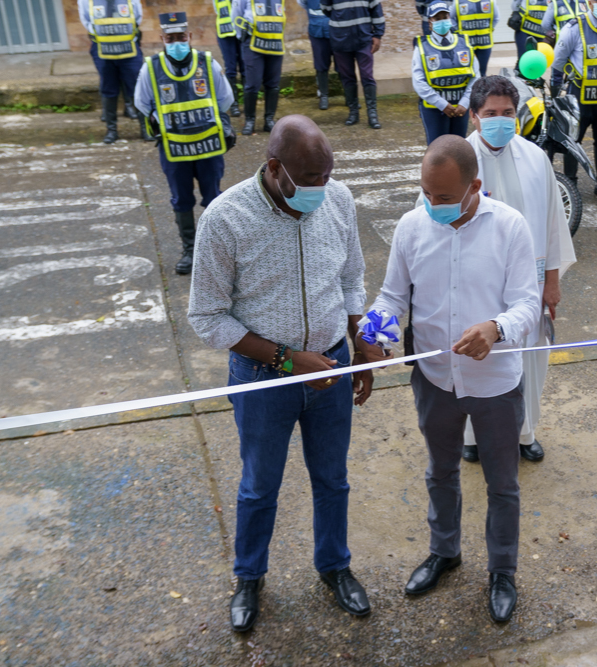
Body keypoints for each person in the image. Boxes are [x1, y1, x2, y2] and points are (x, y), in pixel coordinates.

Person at [188, 115, 377, 632]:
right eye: (311, 178)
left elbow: (351, 276)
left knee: (332, 479)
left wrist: (358, 343)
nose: (323, 187)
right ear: (275, 168)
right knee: (259, 486)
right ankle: (249, 577)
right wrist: (287, 360)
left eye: (328, 174)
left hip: (332, 368)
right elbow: (206, 315)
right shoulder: (225, 220)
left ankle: (334, 567)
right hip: (262, 379)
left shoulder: (337, 198)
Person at [363, 135, 540, 623]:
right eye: (426, 192)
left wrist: (496, 328)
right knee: (439, 471)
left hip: (495, 382)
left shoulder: (510, 228)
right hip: (435, 378)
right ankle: (445, 551)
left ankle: (502, 569)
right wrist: (373, 329)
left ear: (474, 186)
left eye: (442, 197)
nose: (431, 204)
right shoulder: (411, 227)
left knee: (502, 483)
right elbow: (393, 296)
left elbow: (527, 302)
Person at [460, 75, 575, 465]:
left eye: (507, 113)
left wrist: (553, 283)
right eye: (490, 113)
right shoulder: (455, 160)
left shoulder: (535, 157)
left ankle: (525, 432)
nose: (500, 120)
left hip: (531, 284)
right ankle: (473, 436)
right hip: (476, 286)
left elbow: (554, 223)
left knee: (529, 357)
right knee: (479, 357)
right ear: (474, 116)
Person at [134, 12, 237, 275]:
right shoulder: (151, 67)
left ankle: (216, 249)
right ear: (162, 39)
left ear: (189, 37)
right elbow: (142, 103)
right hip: (174, 150)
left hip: (208, 148)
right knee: (181, 200)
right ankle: (190, 251)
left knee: (213, 198)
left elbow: (225, 99)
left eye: (181, 37)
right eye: (171, 38)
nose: (177, 42)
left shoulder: (207, 63)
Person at [550, 0, 597, 202]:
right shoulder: (574, 27)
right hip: (580, 98)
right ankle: (570, 187)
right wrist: (556, 96)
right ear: (590, 2)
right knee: (573, 142)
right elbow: (558, 63)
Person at [413, 1, 480, 145]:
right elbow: (418, 82)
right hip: (434, 110)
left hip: (460, 109)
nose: (442, 21)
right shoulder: (422, 47)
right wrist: (441, 104)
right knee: (437, 151)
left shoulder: (464, 43)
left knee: (458, 149)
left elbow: (475, 76)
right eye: (437, 19)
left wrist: (465, 102)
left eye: (445, 16)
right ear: (430, 23)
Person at [78, 0, 144, 144]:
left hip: (129, 49)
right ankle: (112, 130)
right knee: (109, 89)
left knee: (138, 87)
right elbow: (87, 20)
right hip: (103, 50)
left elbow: (137, 17)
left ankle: (146, 129)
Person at [322, 0, 385, 129]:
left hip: (363, 38)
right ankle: (353, 112)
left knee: (367, 76)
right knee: (347, 77)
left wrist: (378, 35)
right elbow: (326, 8)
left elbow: (376, 10)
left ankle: (372, 114)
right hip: (340, 40)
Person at [231, 0, 285, 135]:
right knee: (252, 83)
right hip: (253, 43)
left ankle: (269, 120)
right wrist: (242, 36)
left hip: (275, 42)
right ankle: (250, 120)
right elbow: (236, 14)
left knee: (273, 83)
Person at [298, 0, 334, 109]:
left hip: (337, 30)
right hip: (317, 30)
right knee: (320, 64)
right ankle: (324, 96)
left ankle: (350, 98)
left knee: (343, 63)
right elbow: (302, 3)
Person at [452, 0, 499, 76]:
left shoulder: (490, 1)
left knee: (480, 72)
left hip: (478, 42)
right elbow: (450, 17)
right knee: (471, 71)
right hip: (468, 43)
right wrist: (457, 30)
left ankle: (482, 87)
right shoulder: (458, 2)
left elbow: (496, 18)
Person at [214, 0, 244, 116]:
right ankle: (234, 104)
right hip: (225, 32)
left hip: (242, 30)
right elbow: (217, 8)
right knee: (230, 68)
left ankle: (247, 103)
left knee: (245, 67)